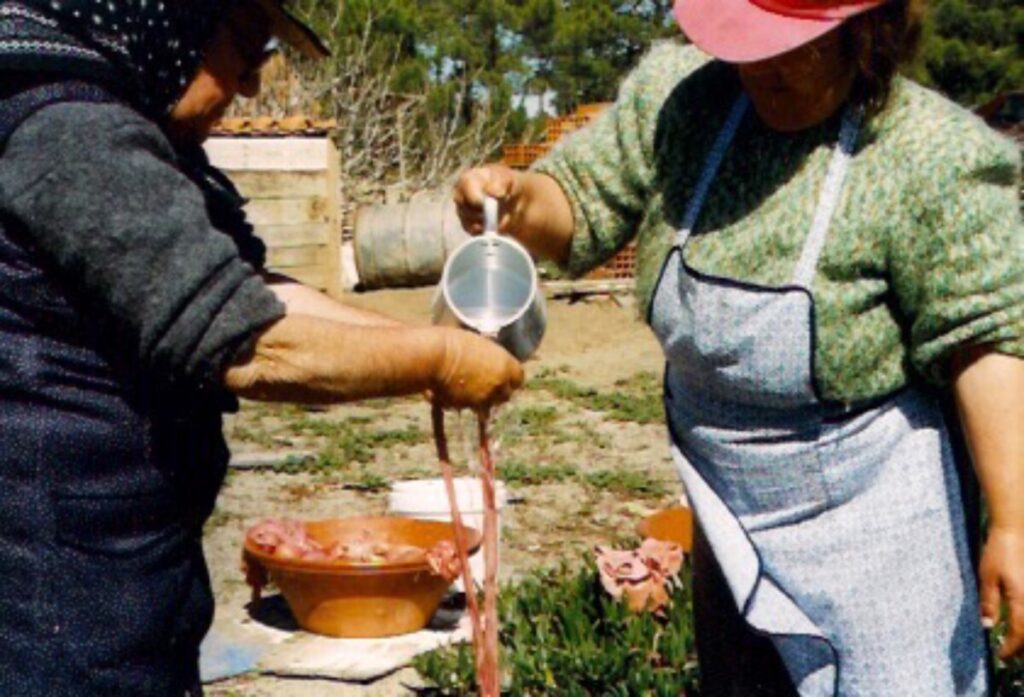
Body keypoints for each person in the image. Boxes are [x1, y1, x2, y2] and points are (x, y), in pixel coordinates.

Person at [454, 0, 1024, 693]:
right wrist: (517, 205)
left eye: (797, 46)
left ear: (866, 32)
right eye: (749, 42)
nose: (766, 66)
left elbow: (987, 343)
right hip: (730, 511)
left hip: (879, 523)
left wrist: (1015, 524)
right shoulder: (687, 100)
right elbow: (579, 202)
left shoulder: (932, 154)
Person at [0, 1, 522, 694]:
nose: (250, 84)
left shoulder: (124, 129)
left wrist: (434, 341)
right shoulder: (66, 133)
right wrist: (443, 361)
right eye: (244, 46)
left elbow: (245, 291)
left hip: (122, 569)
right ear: (161, 18)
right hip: (53, 593)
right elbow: (250, 343)